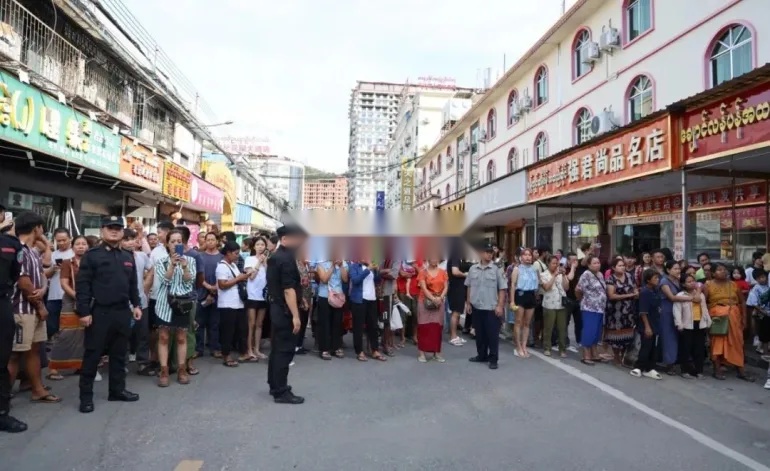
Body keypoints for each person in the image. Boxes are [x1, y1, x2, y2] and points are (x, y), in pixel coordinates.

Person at [76, 216, 143, 413]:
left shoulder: (127, 256)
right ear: (102, 230)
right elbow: (83, 285)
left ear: (122, 232)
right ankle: (85, 397)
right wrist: (84, 311)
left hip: (122, 311)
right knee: (93, 354)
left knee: (119, 354)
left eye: (118, 228)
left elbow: (132, 284)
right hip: (100, 312)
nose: (114, 231)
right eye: (110, 228)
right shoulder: (92, 255)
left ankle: (117, 390)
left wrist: (136, 305)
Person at [8, 212, 59, 404]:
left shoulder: (33, 251)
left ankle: (37, 389)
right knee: (14, 354)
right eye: (41, 228)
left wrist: (43, 289)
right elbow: (24, 282)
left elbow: (42, 274)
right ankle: (4, 396)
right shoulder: (19, 249)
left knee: (34, 350)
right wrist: (40, 306)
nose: (43, 231)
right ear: (36, 228)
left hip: (34, 311)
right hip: (21, 310)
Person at [266, 224, 306, 404]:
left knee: (277, 350)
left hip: (277, 307)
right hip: (284, 311)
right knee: (284, 351)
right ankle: (281, 391)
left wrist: (301, 299)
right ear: (285, 239)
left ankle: (274, 385)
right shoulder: (285, 258)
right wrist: (296, 316)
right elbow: (288, 290)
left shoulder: (277, 256)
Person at [153, 229, 197, 387]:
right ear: (167, 244)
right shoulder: (161, 261)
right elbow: (165, 281)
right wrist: (172, 264)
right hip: (164, 304)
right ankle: (164, 371)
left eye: (179, 241)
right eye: (173, 241)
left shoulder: (190, 260)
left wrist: (184, 267)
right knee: (163, 337)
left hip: (182, 304)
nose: (176, 244)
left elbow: (189, 281)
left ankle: (181, 370)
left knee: (181, 337)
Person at [48, 236, 92, 379]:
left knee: (84, 335)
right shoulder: (67, 263)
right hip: (71, 300)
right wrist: (78, 297)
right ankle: (54, 367)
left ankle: (79, 365)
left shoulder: (93, 262)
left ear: (88, 246)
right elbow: (64, 284)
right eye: (78, 244)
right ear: (73, 247)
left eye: (84, 244)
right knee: (66, 334)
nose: (81, 246)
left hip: (88, 301)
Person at [704, 263, 754, 382]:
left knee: (737, 343)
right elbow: (704, 303)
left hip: (734, 316)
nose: (723, 271)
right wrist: (706, 319)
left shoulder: (733, 284)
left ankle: (741, 370)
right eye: (719, 270)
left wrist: (744, 318)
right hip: (717, 317)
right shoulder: (708, 285)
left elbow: (742, 302)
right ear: (713, 273)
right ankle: (717, 370)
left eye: (725, 269)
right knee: (717, 343)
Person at [0, 215, 27, 432]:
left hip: (1, 303)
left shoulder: (11, 244)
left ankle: (2, 413)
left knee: (1, 360)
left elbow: (14, 274)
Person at [465, 244, 507, 370]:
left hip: (491, 307)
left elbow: (502, 289)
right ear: (480, 253)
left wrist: (500, 306)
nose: (489, 254)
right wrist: (468, 303)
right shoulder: (473, 269)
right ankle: (482, 355)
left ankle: (493, 359)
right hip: (477, 306)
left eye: (491, 252)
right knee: (480, 334)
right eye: (487, 252)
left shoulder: (497, 269)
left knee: (492, 335)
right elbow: (469, 286)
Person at [122, 229, 153, 370]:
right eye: (126, 239)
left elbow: (151, 269)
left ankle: (143, 363)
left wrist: (146, 285)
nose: (130, 242)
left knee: (142, 334)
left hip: (141, 301)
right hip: (122, 303)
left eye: (132, 239)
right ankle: (122, 363)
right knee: (122, 335)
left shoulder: (141, 256)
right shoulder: (116, 257)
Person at [216, 241, 250, 367]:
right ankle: (226, 355)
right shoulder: (222, 267)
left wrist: (244, 276)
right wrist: (239, 279)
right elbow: (222, 285)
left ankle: (243, 352)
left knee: (241, 329)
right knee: (227, 331)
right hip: (227, 303)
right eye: (235, 253)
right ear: (228, 253)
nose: (237, 256)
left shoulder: (234, 265)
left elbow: (237, 278)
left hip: (238, 302)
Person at [673, 272, 711, 380]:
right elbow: (677, 311)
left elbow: (704, 308)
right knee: (686, 348)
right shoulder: (680, 296)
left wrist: (708, 321)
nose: (692, 283)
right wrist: (679, 324)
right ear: (683, 284)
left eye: (693, 281)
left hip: (700, 323)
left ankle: (699, 371)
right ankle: (685, 370)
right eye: (688, 282)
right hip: (687, 324)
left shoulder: (700, 295)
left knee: (699, 348)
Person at [605, 257, 638, 365]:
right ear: (614, 268)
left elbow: (635, 288)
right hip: (615, 312)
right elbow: (611, 295)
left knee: (627, 333)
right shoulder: (611, 279)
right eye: (619, 266)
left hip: (629, 311)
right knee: (616, 334)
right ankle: (616, 355)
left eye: (623, 265)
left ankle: (623, 355)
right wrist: (629, 295)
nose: (622, 267)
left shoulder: (629, 276)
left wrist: (636, 293)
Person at [630, 269, 663, 380]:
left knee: (654, 346)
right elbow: (643, 311)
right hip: (647, 323)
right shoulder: (644, 292)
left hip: (656, 321)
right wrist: (647, 327)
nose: (657, 280)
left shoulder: (656, 291)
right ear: (648, 280)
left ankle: (649, 368)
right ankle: (639, 367)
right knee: (646, 346)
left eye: (658, 278)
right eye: (655, 278)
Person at [575, 255, 606, 366]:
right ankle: (586, 355)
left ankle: (594, 353)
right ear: (589, 265)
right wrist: (583, 300)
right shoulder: (586, 275)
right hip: (589, 308)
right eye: (594, 263)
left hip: (600, 308)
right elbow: (578, 289)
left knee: (597, 332)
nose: (597, 265)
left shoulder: (600, 274)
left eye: (598, 263)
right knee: (589, 330)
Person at [416, 257, 448, 363]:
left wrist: (440, 297)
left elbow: (446, 287)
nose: (435, 260)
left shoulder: (443, 272)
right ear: (428, 260)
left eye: (436, 258)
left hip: (439, 301)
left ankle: (437, 353)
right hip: (424, 302)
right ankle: (421, 353)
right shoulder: (422, 272)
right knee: (423, 327)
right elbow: (423, 288)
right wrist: (433, 298)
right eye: (432, 258)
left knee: (437, 328)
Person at [196, 232, 223, 359]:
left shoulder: (222, 257)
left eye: (213, 239)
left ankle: (215, 348)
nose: (210, 242)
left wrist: (215, 288)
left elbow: (223, 275)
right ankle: (198, 349)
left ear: (217, 241)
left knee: (215, 324)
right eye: (208, 240)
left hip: (218, 295)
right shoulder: (200, 256)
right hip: (201, 293)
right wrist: (208, 287)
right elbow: (197, 275)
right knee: (199, 323)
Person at [509, 248, 538, 358]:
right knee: (518, 322)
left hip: (531, 295)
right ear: (521, 257)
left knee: (527, 323)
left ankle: (524, 346)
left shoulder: (534, 269)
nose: (528, 257)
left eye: (529, 255)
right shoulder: (517, 269)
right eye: (525, 255)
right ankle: (518, 346)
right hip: (520, 295)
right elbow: (512, 285)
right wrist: (512, 301)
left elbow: (537, 283)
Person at [244, 236, 269, 361]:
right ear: (254, 246)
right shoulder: (249, 259)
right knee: (251, 324)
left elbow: (270, 276)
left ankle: (257, 349)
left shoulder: (267, 261)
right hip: (252, 295)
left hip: (263, 296)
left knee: (259, 324)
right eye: (258, 244)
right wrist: (259, 262)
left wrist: (265, 263)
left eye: (262, 245)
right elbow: (251, 276)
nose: (260, 247)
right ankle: (249, 349)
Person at [539, 255, 570, 358]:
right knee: (548, 328)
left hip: (561, 304)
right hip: (549, 305)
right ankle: (547, 348)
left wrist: (564, 276)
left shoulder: (561, 275)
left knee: (562, 328)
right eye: (553, 263)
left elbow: (566, 287)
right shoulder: (543, 275)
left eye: (557, 263)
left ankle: (562, 349)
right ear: (548, 264)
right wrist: (554, 276)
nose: (556, 265)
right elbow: (546, 287)